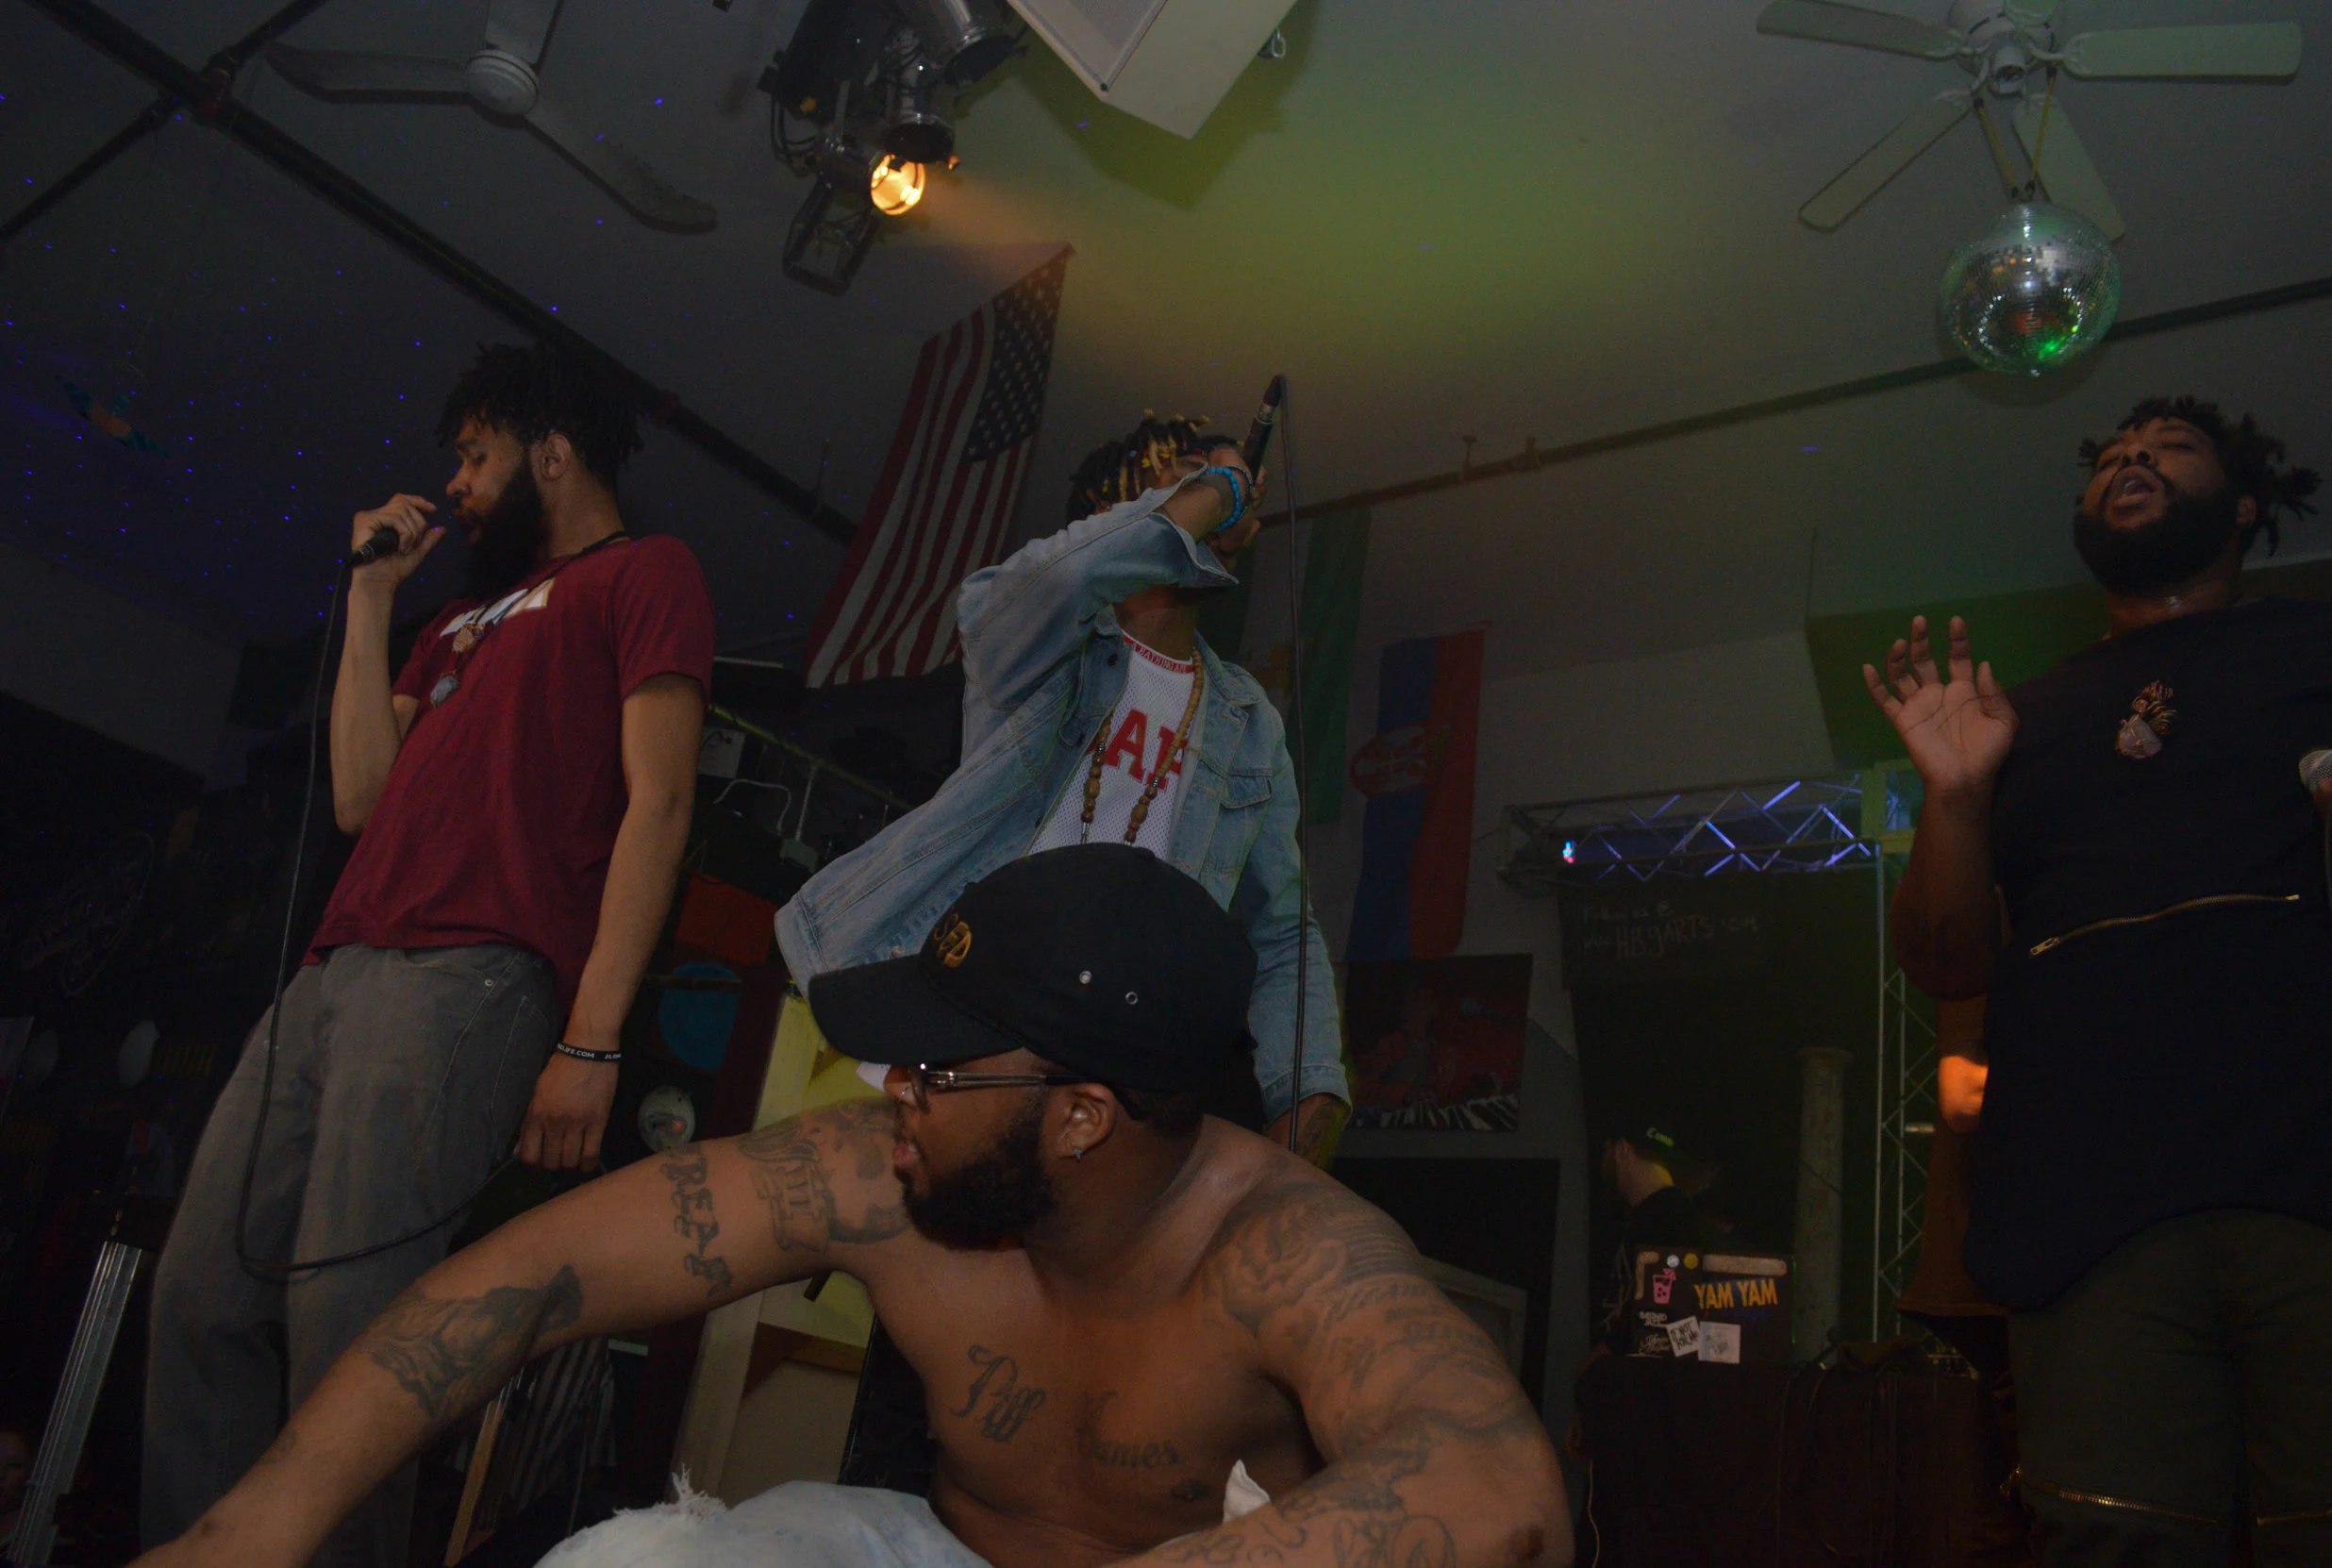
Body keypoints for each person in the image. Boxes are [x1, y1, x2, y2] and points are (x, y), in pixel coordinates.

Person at [132, 846, 1572, 1568]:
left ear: (1080, 1113)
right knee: (628, 1562)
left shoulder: (1287, 1250)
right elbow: (539, 1271)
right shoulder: (883, 1172)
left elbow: (1502, 1491)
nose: (894, 1087)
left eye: (938, 1066)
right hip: (933, 1551)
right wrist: (249, 1529)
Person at [143, 342, 715, 1568]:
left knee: (348, 1323)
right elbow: (360, 793)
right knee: (200, 1293)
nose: (454, 485)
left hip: (469, 976)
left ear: (550, 452)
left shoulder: (644, 573)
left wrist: (592, 1037)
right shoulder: (452, 621)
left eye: (474, 455)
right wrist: (369, 601)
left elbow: (661, 805)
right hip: (333, 971)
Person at [1863, 395, 2332, 1564]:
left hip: (2322, 1181)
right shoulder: (2018, 719)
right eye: (2115, 455)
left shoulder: (2330, 651)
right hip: (2086, 1209)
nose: (2132, 457)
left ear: (2244, 507)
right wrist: (1954, 798)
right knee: (2107, 1541)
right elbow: (1943, 962)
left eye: (2170, 447)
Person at [778, 416, 1347, 1150]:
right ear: (1113, 509)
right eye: (1188, 473)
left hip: (1091, 1067)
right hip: (936, 1025)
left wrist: (1310, 1093)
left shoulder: (1248, 723)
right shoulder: (1043, 637)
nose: (1219, 494)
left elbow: (1282, 932)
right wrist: (1222, 489)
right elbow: (1067, 577)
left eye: (1225, 483)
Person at [1592, 1122, 1709, 1352]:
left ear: (1622, 1149)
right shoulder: (1668, 1215)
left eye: (1606, 1151)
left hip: (1640, 1369)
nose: (1603, 1162)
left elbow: (1671, 1324)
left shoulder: (1669, 1220)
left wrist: (1602, 1357)